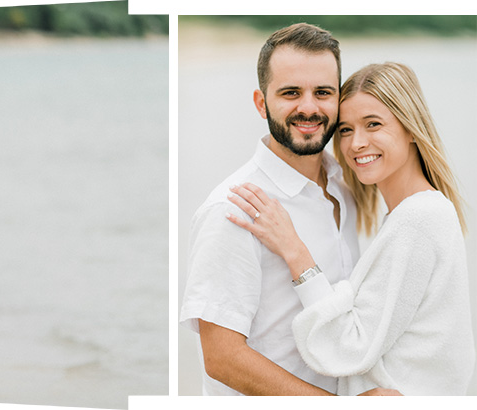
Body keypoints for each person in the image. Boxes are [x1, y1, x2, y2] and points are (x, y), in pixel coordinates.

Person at [224, 62, 473, 395]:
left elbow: (347, 348)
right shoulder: (419, 212)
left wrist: (294, 251)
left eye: (373, 124)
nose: (357, 143)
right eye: (344, 130)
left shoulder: (419, 219)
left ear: (412, 128)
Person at [178, 23, 365, 396]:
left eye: (323, 92)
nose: (309, 107)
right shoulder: (233, 209)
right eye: (291, 93)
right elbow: (222, 357)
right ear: (261, 102)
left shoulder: (347, 190)